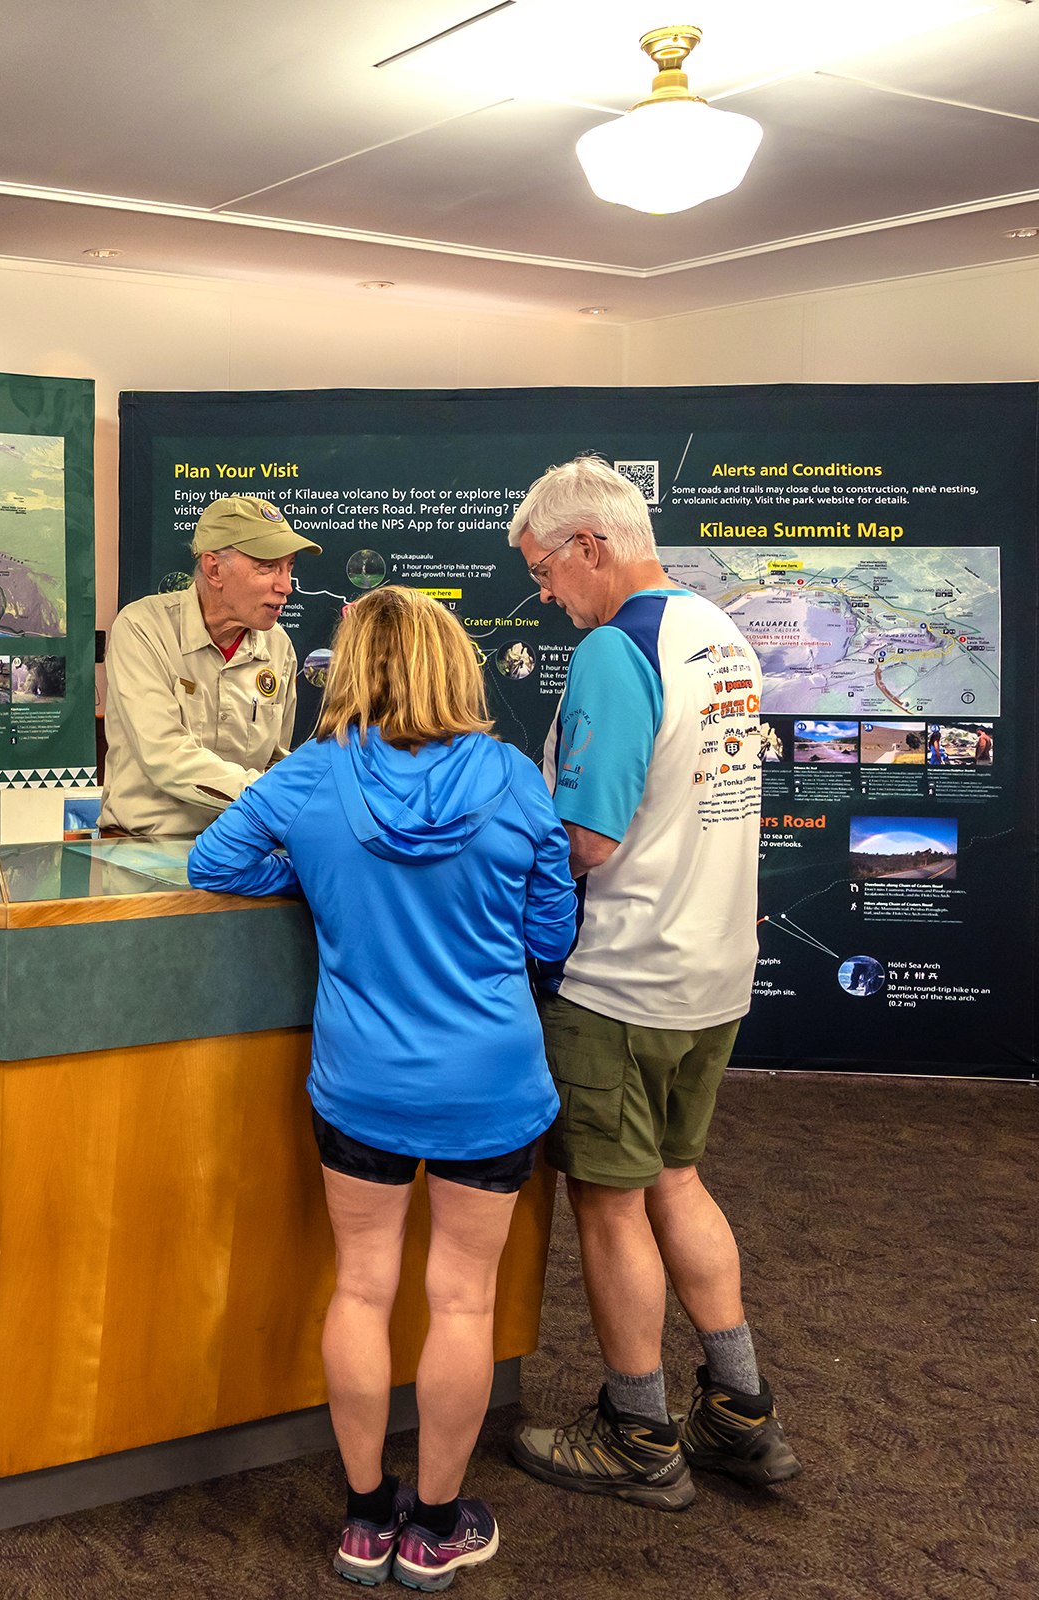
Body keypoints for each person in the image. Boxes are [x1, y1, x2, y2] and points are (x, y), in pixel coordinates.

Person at [190, 584, 576, 1592]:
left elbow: (215, 861)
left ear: (353, 666)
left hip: (361, 1082)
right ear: (456, 664)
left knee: (361, 1286)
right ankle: (437, 1525)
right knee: (462, 1298)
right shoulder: (508, 776)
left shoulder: (311, 778)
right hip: (490, 1082)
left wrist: (316, 880)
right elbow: (551, 934)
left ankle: (365, 1519)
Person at [504, 455, 798, 1509]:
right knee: (679, 1176)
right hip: (712, 967)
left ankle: (638, 1428)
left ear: (592, 546)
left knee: (612, 1200)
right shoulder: (722, 633)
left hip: (621, 978)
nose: (546, 595)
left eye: (545, 569)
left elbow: (586, 838)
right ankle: (740, 1407)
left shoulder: (616, 650)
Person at [100, 495, 319, 837]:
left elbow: (274, 759)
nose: (286, 586)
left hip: (241, 849)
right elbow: (166, 756)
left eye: (289, 566)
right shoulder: (143, 627)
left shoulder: (279, 646)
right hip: (143, 849)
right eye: (267, 567)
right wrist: (276, 797)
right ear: (214, 568)